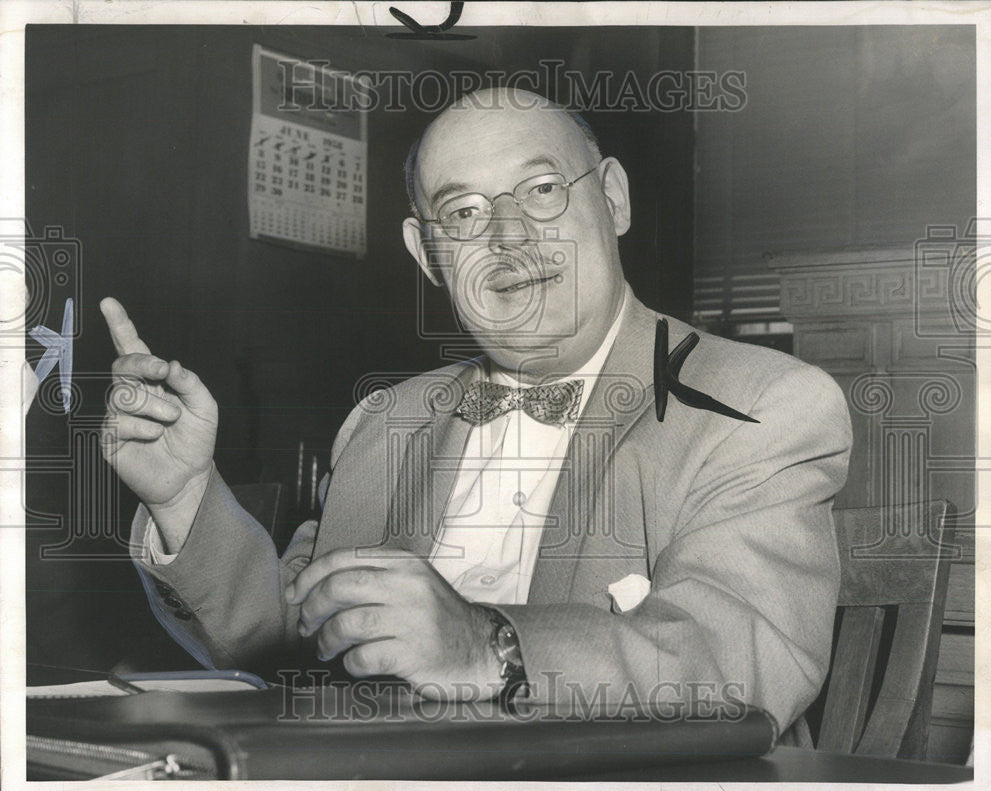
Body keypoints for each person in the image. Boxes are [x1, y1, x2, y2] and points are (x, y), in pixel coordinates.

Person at [100, 87, 852, 741]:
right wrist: (185, 498)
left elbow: (744, 656)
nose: (509, 236)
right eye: (462, 212)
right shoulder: (383, 422)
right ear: (428, 256)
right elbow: (292, 641)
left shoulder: (759, 403)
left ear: (613, 199)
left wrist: (487, 647)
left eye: (543, 190)